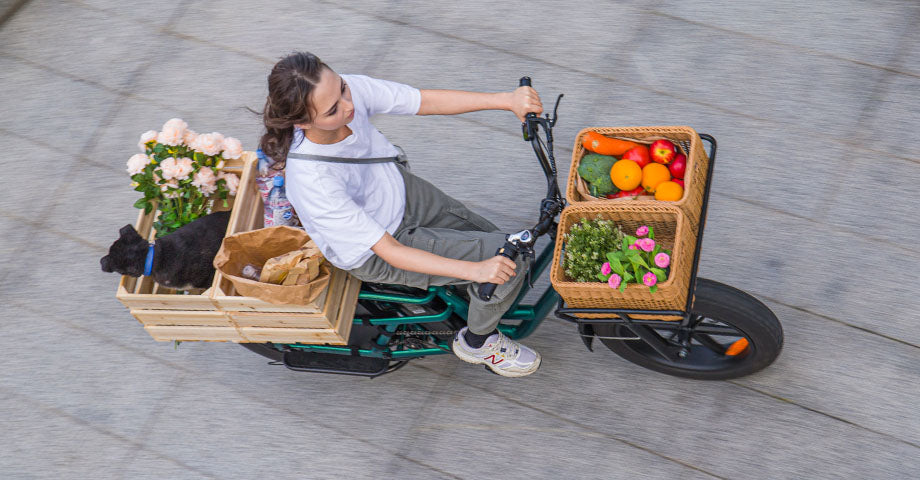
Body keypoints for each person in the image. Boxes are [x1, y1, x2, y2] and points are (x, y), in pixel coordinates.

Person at [259, 51, 544, 377]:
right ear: (302, 122)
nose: (348, 105)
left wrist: (506, 100)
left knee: (499, 246)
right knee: (508, 262)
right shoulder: (313, 181)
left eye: (342, 89)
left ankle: (473, 293)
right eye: (332, 110)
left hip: (398, 191)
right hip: (377, 246)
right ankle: (479, 342)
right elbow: (391, 252)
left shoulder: (346, 93)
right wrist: (476, 270)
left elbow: (423, 101)